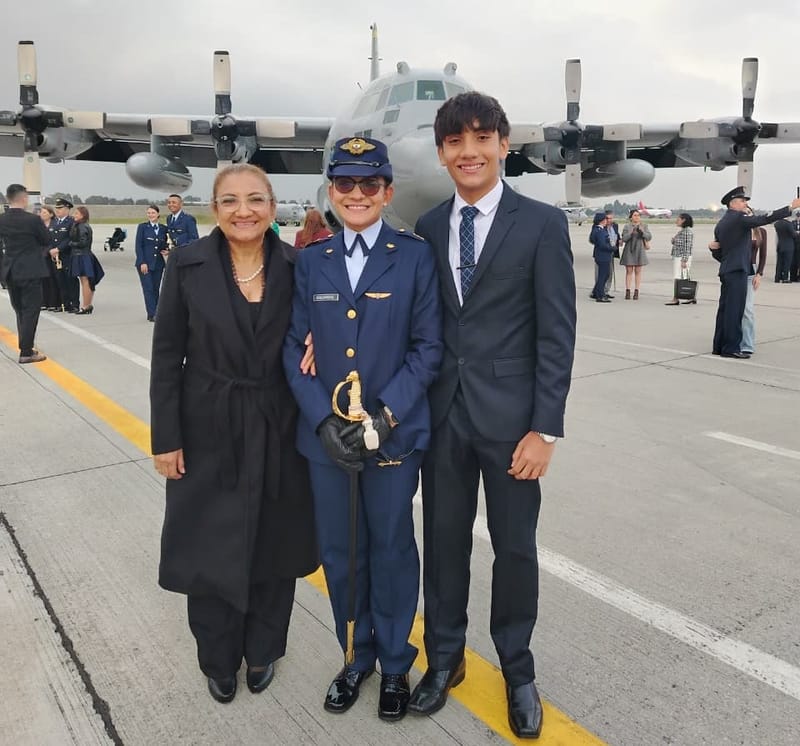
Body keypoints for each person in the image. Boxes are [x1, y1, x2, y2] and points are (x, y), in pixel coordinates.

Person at [408, 92, 576, 740]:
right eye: (455, 142)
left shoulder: (540, 225)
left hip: (513, 427)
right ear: (443, 151)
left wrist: (545, 427)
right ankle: (445, 658)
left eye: (482, 138)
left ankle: (518, 669)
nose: (468, 152)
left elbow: (557, 334)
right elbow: (419, 324)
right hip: (442, 420)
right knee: (443, 548)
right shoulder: (426, 228)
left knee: (515, 552)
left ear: (504, 145)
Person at [283, 137, 442, 722]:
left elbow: (428, 350)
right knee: (341, 553)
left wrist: (382, 417)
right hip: (328, 443)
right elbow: (288, 349)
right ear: (331, 191)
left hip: (392, 437)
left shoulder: (415, 256)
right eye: (345, 184)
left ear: (386, 192)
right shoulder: (311, 260)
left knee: (393, 549)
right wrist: (324, 421)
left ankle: (397, 663)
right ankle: (356, 657)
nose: (356, 194)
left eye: (368, 184)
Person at [150, 163, 318, 705]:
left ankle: (265, 648)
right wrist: (165, 436)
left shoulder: (299, 265)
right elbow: (166, 356)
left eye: (254, 200)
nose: (243, 211)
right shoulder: (187, 263)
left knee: (277, 541)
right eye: (229, 201)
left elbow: (328, 331)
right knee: (209, 544)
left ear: (273, 206)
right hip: (207, 427)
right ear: (213, 209)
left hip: (279, 421)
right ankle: (218, 657)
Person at [710, 186, 800, 359]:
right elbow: (764, 219)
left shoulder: (722, 223)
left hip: (727, 270)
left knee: (725, 309)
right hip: (737, 271)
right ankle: (731, 348)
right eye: (742, 201)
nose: (745, 204)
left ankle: (719, 345)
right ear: (733, 203)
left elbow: (719, 251)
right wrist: (790, 207)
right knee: (735, 311)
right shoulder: (739, 218)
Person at [0, 183, 52, 363]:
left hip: (10, 271)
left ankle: (25, 345)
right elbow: (46, 240)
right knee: (31, 310)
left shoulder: (2, 219)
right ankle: (26, 351)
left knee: (20, 310)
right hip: (30, 270)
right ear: (24, 198)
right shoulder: (33, 220)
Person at [135, 205, 167, 321]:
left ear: (158, 214)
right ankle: (152, 314)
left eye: (153, 213)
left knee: (155, 288)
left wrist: (167, 250)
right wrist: (142, 262)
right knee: (148, 288)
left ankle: (156, 312)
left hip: (158, 264)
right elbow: (139, 246)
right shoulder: (143, 227)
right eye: (149, 213)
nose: (150, 215)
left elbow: (164, 244)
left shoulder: (163, 228)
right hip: (145, 264)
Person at [69, 206, 103, 315]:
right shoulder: (80, 225)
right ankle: (87, 305)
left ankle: (86, 305)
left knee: (85, 281)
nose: (74, 215)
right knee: (86, 281)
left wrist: (71, 244)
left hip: (82, 255)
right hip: (83, 255)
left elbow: (83, 242)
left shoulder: (82, 227)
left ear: (82, 215)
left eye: (77, 213)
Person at [740, 220, 766, 355]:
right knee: (736, 308)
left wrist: (759, 274)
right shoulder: (738, 230)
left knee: (747, 309)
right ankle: (735, 339)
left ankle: (747, 344)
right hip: (737, 271)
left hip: (751, 271)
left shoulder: (760, 232)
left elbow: (763, 256)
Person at [52, 197, 79, 312]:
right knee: (60, 280)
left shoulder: (71, 222)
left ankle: (74, 304)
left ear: (67, 209)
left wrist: (58, 248)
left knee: (70, 280)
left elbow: (70, 238)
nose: (57, 210)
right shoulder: (54, 222)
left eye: (60, 208)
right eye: (56, 208)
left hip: (67, 255)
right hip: (56, 257)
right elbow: (50, 238)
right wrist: (51, 250)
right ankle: (65, 303)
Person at [620, 208, 651, 299]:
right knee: (629, 271)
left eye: (638, 215)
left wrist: (642, 233)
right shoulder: (627, 226)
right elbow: (624, 238)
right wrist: (631, 234)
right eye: (635, 215)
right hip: (629, 249)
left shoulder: (644, 226)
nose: (637, 217)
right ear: (631, 217)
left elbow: (649, 237)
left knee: (638, 271)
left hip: (639, 249)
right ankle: (628, 290)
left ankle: (637, 291)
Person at [666, 213, 694, 305]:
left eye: (678, 219)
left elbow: (687, 246)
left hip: (681, 257)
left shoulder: (687, 232)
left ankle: (676, 298)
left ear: (683, 220)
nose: (676, 220)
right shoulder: (682, 231)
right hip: (680, 256)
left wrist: (684, 260)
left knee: (678, 277)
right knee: (685, 276)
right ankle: (691, 296)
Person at [39, 205, 63, 311]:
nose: (42, 214)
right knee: (43, 279)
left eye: (44, 212)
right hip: (41, 255)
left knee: (53, 279)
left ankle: (55, 302)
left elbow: (55, 240)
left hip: (52, 255)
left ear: (51, 214)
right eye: (41, 212)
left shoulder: (55, 225)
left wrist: (49, 250)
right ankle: (44, 301)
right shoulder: (38, 225)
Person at [591, 209, 619, 299]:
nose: (609, 220)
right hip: (603, 255)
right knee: (603, 275)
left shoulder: (613, 226)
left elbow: (616, 235)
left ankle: (598, 291)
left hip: (606, 255)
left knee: (607, 274)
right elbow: (601, 243)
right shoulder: (600, 230)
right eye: (607, 218)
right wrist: (612, 248)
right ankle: (600, 294)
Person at [774, 216, 795, 283]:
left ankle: (777, 277)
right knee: (787, 263)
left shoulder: (777, 224)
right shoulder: (788, 224)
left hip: (780, 245)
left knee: (779, 262)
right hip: (788, 246)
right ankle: (785, 278)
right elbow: (793, 234)